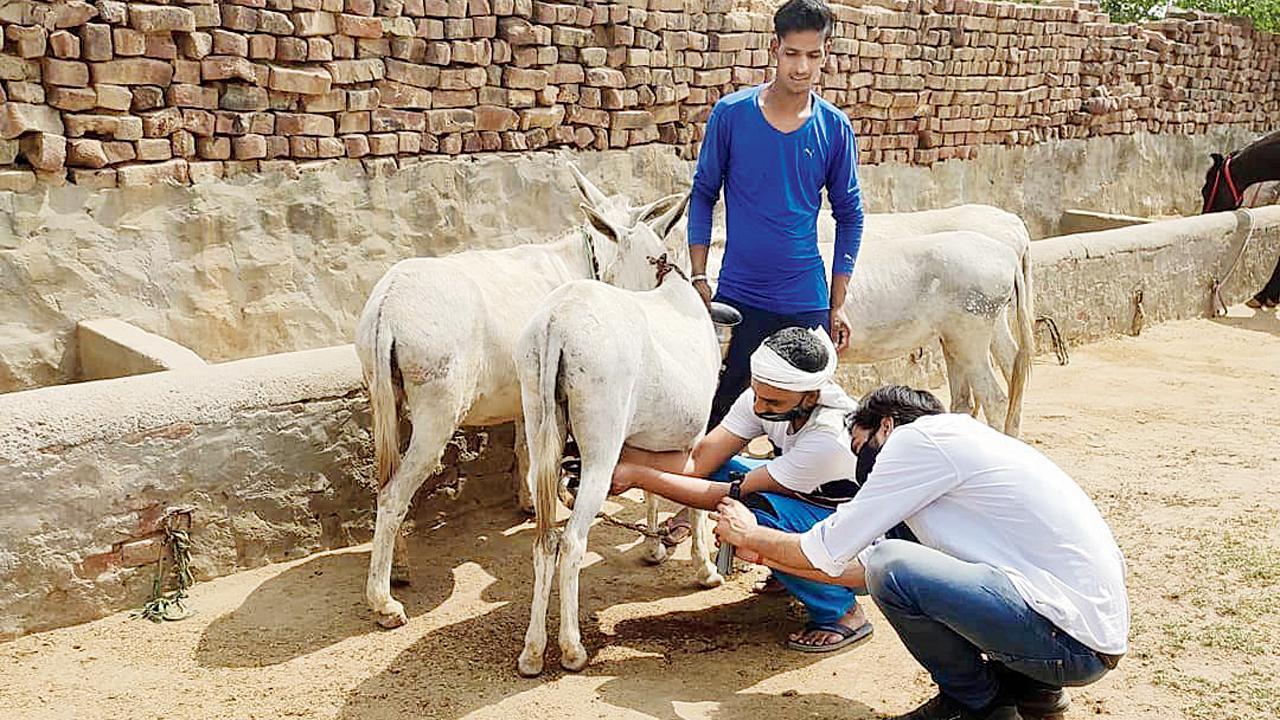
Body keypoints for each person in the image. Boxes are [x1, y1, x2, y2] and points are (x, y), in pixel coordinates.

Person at [712, 386, 1130, 720]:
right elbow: (857, 570)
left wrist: (752, 533)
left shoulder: (916, 441)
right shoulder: (963, 446)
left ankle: (978, 703)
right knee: (892, 565)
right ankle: (1031, 689)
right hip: (1080, 640)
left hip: (1068, 644)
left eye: (860, 447)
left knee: (893, 564)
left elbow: (842, 555)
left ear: (888, 426)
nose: (862, 466)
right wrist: (767, 553)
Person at [662, 0, 866, 547]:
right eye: (792, 53)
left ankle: (788, 529)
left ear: (826, 58)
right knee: (728, 404)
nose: (801, 66)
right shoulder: (731, 115)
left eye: (813, 56)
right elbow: (703, 194)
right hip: (739, 293)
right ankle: (689, 512)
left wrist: (838, 302)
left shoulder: (833, 128)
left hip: (805, 297)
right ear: (773, 50)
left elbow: (851, 215)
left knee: (804, 418)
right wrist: (700, 275)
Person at [610, 327, 872, 652]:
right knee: (725, 471)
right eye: (757, 394)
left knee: (753, 515)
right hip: (806, 497)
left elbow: (731, 494)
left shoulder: (828, 438)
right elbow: (702, 459)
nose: (760, 407)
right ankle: (790, 570)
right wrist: (608, 455)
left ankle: (842, 612)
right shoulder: (763, 398)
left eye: (773, 401)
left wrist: (638, 476)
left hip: (856, 533)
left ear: (811, 396)